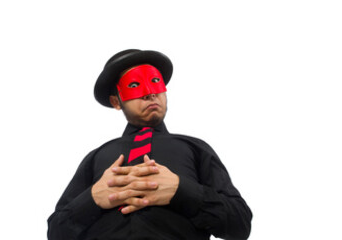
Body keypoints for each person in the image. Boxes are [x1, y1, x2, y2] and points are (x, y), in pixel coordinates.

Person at [47, 49, 252, 239]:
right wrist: (92, 199)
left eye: (155, 82)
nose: (149, 93)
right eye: (134, 85)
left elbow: (240, 224)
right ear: (116, 102)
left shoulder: (196, 148)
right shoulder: (96, 157)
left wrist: (181, 191)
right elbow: (56, 231)